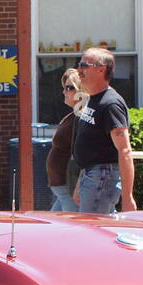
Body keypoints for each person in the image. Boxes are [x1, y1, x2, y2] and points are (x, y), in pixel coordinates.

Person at [70, 46, 135, 214]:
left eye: (84, 65)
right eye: (79, 64)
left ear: (101, 69)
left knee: (92, 233)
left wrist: (127, 197)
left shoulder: (111, 104)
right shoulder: (92, 99)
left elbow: (125, 150)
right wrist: (81, 181)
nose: (79, 70)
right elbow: (89, 145)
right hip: (91, 175)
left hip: (102, 177)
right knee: (96, 231)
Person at [47, 69, 88, 210]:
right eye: (64, 87)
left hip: (69, 186)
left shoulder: (82, 118)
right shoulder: (74, 116)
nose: (64, 91)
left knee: (68, 229)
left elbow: (83, 154)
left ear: (81, 91)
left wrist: (78, 185)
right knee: (54, 229)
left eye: (69, 87)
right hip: (62, 189)